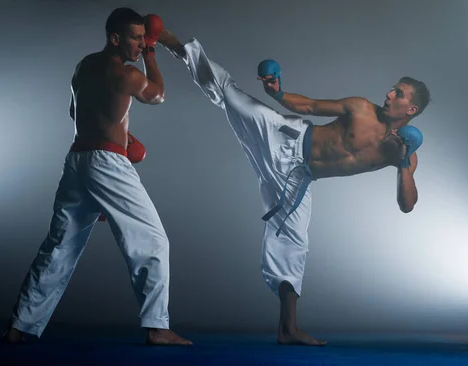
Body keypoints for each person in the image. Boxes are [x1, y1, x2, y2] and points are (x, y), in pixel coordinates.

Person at [157, 29, 429, 346]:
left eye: (398, 93)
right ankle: (173, 43)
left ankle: (288, 329)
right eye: (393, 89)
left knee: (293, 245)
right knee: (230, 94)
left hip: (297, 178)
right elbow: (310, 106)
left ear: (411, 110)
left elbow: (407, 204)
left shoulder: (402, 152)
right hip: (286, 136)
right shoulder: (361, 108)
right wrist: (277, 93)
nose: (389, 94)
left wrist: (402, 163)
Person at [2, 8, 192, 346]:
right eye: (135, 38)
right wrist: (152, 51)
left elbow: (74, 111)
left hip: (77, 160)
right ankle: (157, 327)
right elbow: (159, 94)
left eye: (142, 38)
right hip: (106, 163)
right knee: (153, 241)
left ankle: (20, 327)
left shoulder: (83, 66)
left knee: (58, 248)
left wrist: (112, 143)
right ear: (116, 38)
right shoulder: (128, 74)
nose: (139, 43)